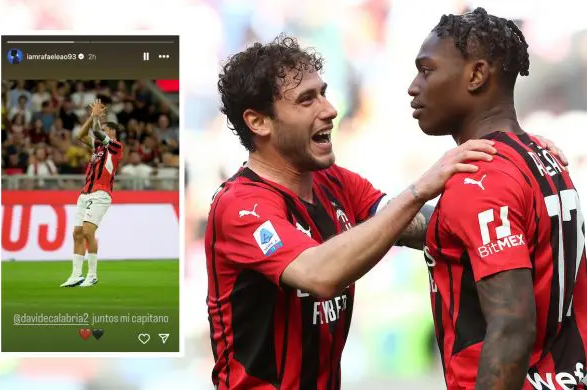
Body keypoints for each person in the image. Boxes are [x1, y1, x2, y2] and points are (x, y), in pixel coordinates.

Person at [205, 32, 505, 390]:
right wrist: (418, 189)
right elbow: (320, 275)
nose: (329, 110)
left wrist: (517, 164)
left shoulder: (334, 183)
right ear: (259, 122)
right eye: (306, 100)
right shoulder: (239, 206)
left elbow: (424, 225)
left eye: (323, 93)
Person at [408, 8, 587, 390]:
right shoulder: (541, 154)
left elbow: (511, 327)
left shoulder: (481, 178)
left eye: (427, 70)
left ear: (475, 75)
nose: (413, 86)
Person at [60, 99, 124, 287]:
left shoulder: (115, 147)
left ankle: (93, 275)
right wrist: (91, 117)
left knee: (88, 231)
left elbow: (95, 132)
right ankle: (76, 275)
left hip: (101, 193)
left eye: (106, 129)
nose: (102, 130)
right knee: (77, 232)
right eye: (102, 128)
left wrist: (96, 118)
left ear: (112, 133)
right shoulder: (96, 148)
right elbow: (81, 135)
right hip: (85, 192)